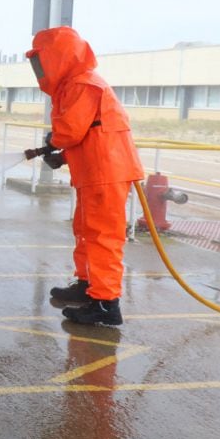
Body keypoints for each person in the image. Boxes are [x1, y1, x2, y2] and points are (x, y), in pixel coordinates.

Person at [25, 27, 144, 326]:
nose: (39, 70)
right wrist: (63, 154)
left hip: (106, 172)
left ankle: (105, 303)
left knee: (103, 236)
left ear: (59, 58)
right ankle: (86, 285)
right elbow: (90, 133)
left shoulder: (83, 84)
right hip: (96, 171)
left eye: (41, 62)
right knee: (86, 231)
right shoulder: (75, 85)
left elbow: (71, 130)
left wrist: (55, 141)